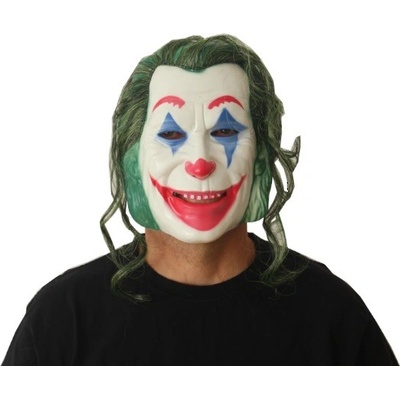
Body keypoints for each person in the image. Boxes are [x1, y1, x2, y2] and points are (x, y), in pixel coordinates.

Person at [2, 34, 398, 366]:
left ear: (260, 155)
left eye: (225, 131)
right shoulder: (62, 320)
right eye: (171, 135)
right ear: (132, 159)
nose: (200, 163)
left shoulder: (331, 314)